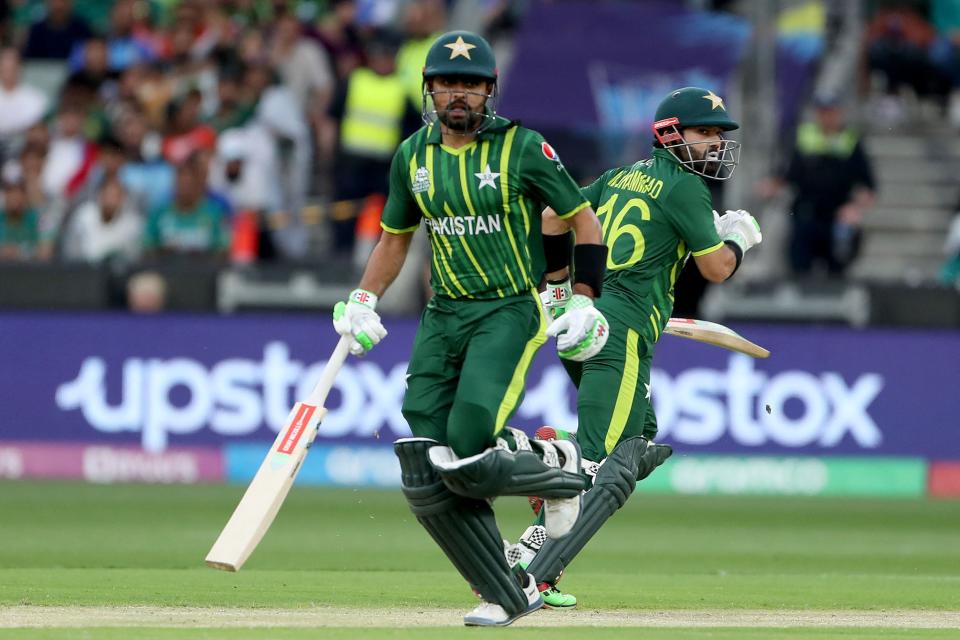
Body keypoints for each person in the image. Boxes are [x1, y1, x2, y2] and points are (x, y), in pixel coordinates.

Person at [331, 30, 610, 627]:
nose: (458, 96)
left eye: (472, 85)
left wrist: (583, 299)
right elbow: (394, 239)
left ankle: (559, 479)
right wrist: (362, 297)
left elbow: (584, 220)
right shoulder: (412, 155)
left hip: (507, 310)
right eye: (447, 84)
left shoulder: (525, 147)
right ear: (428, 90)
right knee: (426, 453)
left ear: (490, 92)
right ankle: (508, 587)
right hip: (443, 313)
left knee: (467, 440)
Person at [515, 87, 763, 608]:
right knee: (607, 467)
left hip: (584, 326)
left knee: (639, 439)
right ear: (670, 134)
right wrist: (738, 237)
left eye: (718, 135)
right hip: (621, 335)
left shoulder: (623, 174)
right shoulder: (686, 189)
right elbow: (716, 269)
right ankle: (533, 565)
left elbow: (553, 218)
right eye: (704, 133)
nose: (715, 144)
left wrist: (559, 291)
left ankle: (547, 486)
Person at [761, 97, 875, 277]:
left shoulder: (851, 141)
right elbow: (788, 175)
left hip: (837, 217)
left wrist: (855, 209)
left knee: (837, 269)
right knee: (799, 268)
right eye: (823, 112)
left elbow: (868, 186)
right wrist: (770, 187)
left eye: (831, 111)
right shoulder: (804, 137)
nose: (827, 117)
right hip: (806, 215)